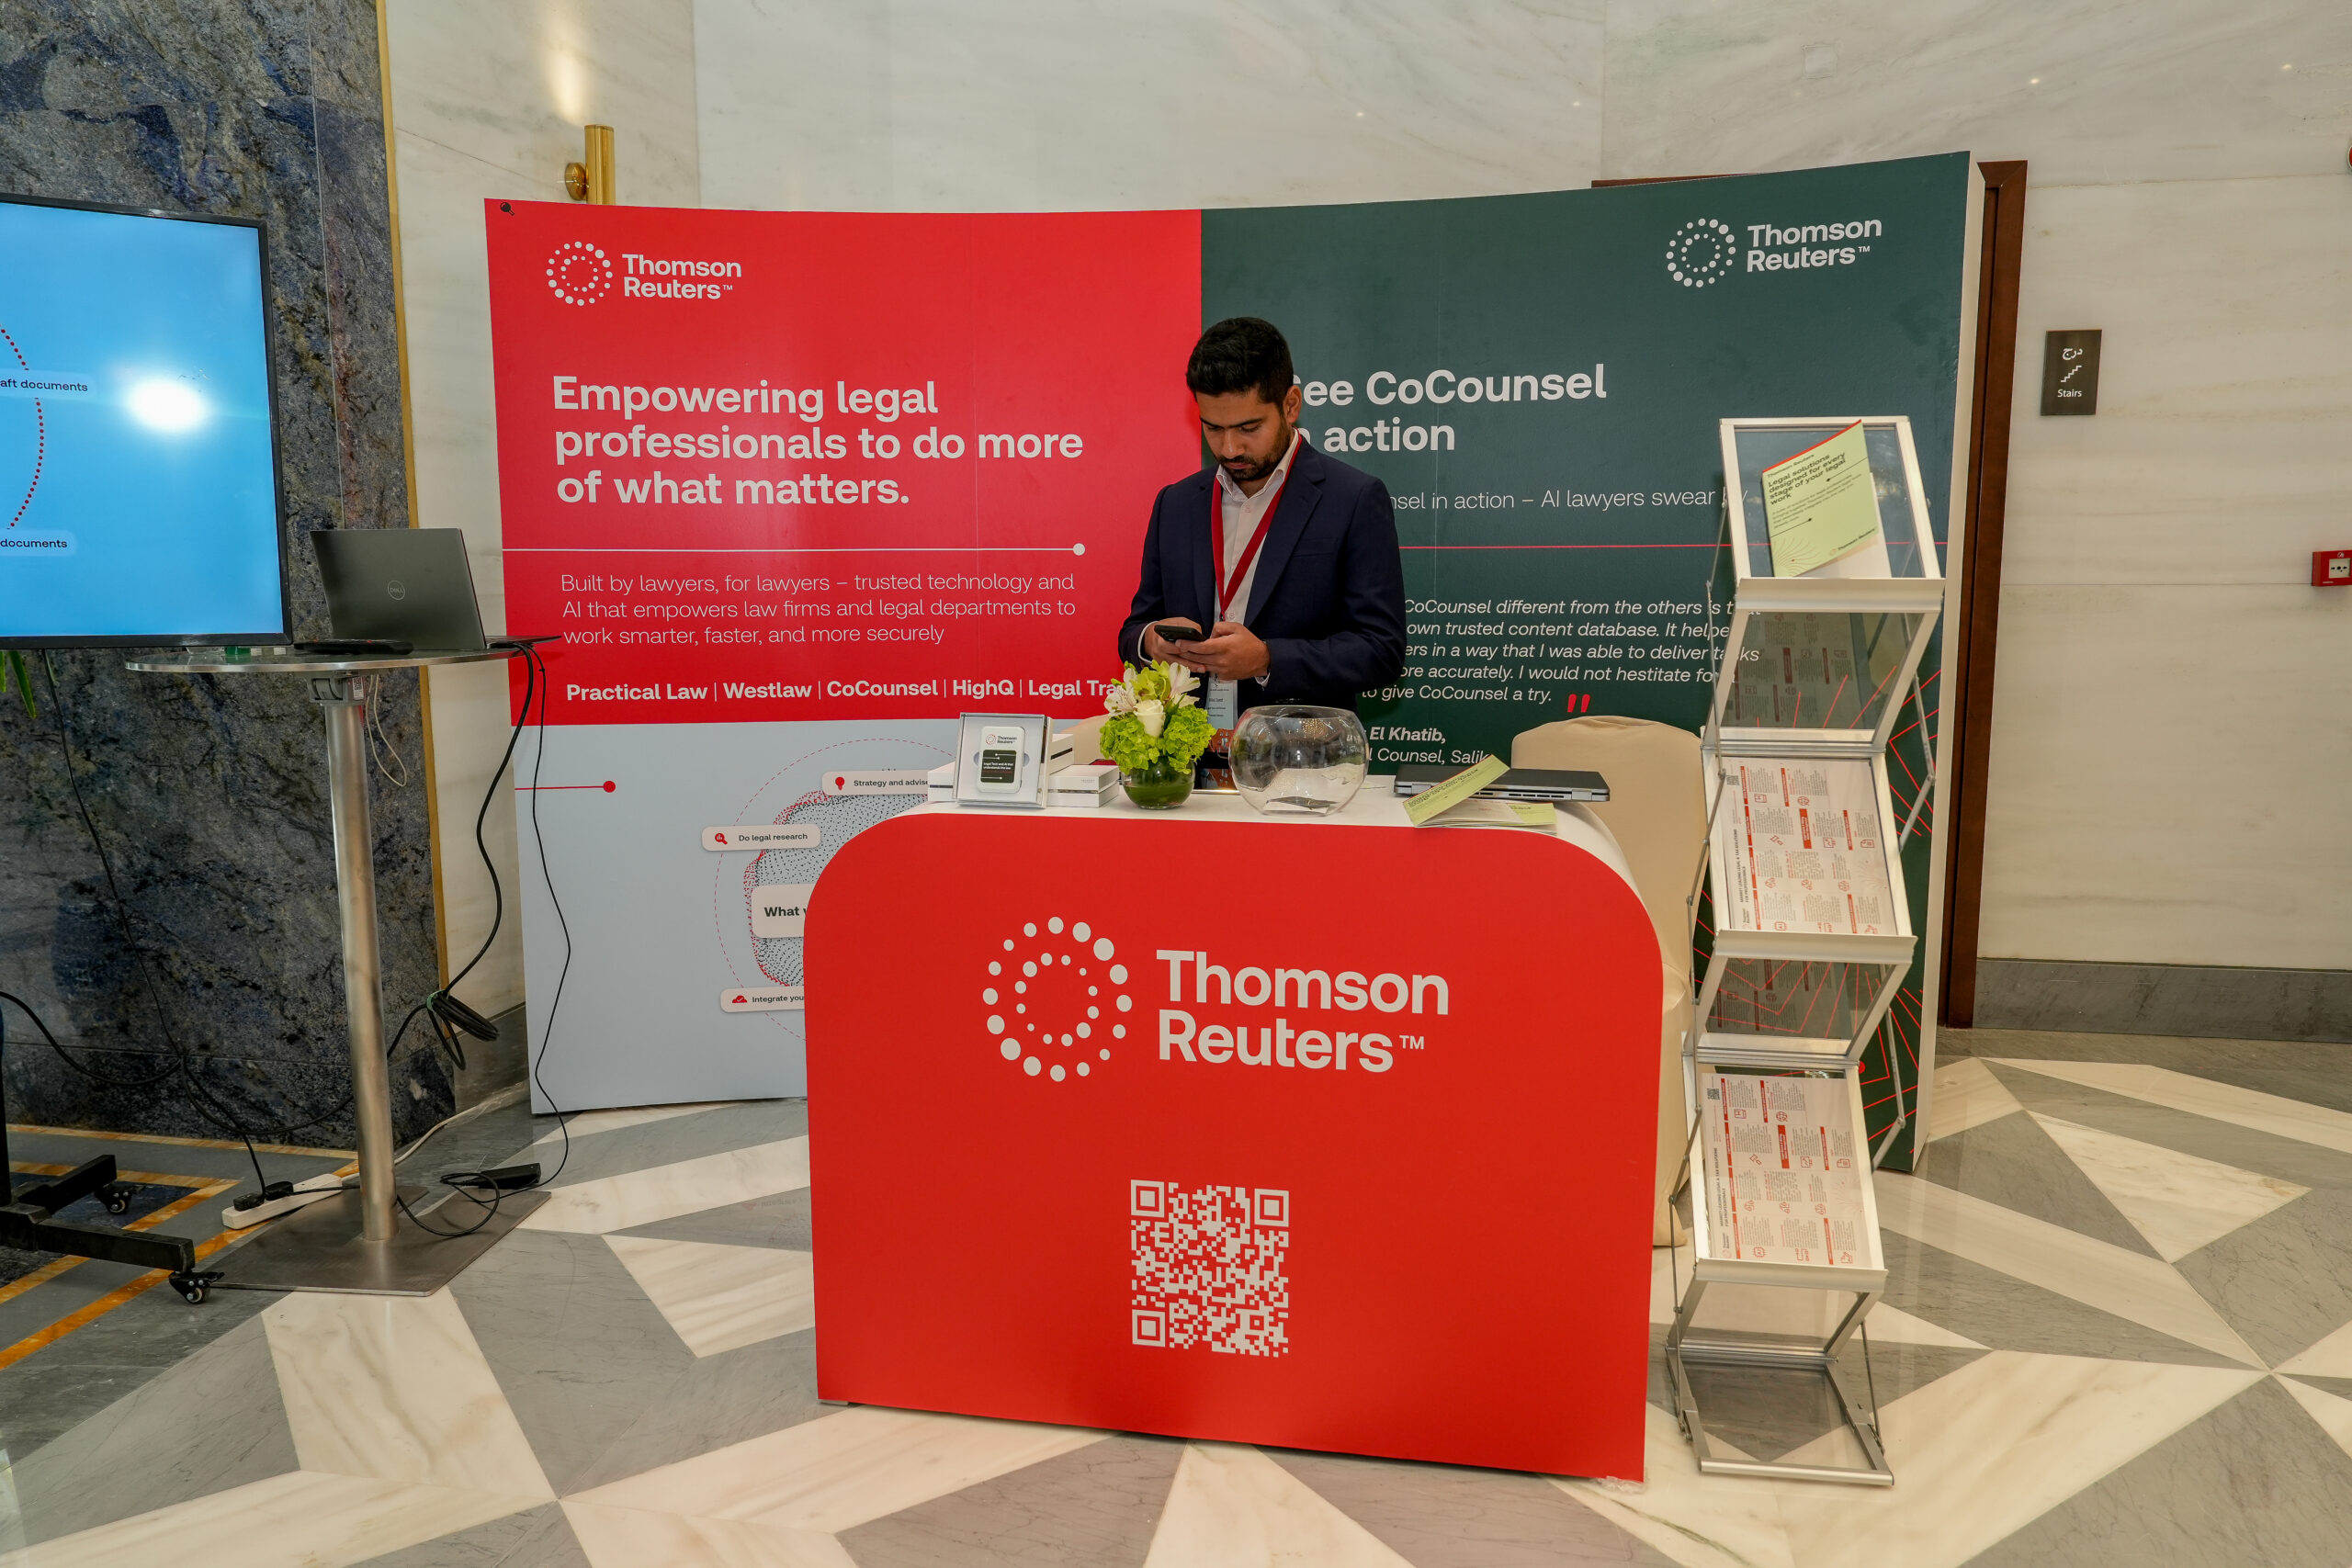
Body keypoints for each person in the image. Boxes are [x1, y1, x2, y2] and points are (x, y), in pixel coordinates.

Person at [1117, 318, 1406, 727]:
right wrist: (1152, 641)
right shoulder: (1176, 503)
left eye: (1248, 428)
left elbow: (1382, 651)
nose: (1230, 448)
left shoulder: (1353, 498)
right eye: (1213, 428)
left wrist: (1267, 658)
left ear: (1291, 405)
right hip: (1190, 755)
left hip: (1300, 754)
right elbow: (1135, 629)